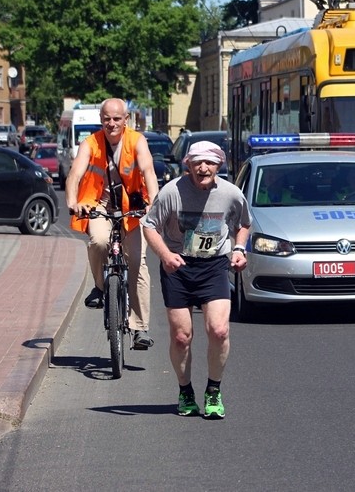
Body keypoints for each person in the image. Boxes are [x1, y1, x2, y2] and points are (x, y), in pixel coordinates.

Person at [141, 141, 252, 419]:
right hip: (178, 267)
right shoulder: (172, 192)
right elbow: (149, 226)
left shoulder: (230, 193)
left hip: (214, 265)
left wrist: (239, 249)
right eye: (197, 162)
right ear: (188, 165)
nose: (203, 168)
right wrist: (165, 255)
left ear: (219, 165)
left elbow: (244, 223)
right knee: (181, 337)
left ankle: (213, 390)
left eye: (210, 163)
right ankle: (185, 391)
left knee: (219, 330)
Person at [65, 98, 158, 350]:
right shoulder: (90, 143)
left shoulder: (137, 141)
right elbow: (74, 175)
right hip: (98, 203)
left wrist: (154, 203)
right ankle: (99, 286)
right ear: (101, 120)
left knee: (137, 262)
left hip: (131, 205)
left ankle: (140, 328)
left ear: (126, 119)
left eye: (117, 118)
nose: (112, 123)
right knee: (98, 241)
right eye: (107, 119)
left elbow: (148, 171)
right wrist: (73, 202)